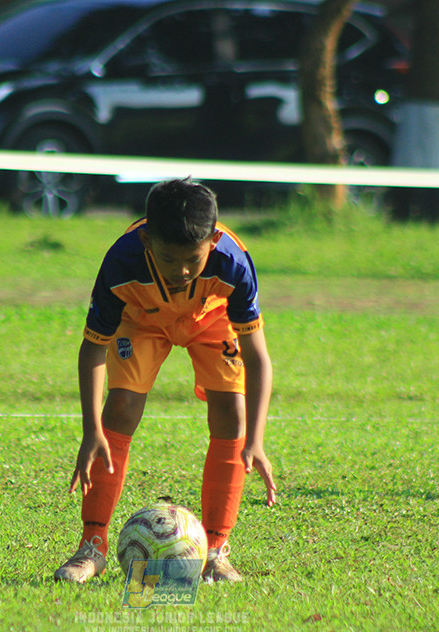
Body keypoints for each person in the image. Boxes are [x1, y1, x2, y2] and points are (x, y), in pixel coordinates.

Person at [54, 178, 277, 584]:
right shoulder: (121, 262)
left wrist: (256, 440)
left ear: (212, 240)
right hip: (142, 320)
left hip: (210, 319)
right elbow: (91, 349)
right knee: (120, 408)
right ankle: (93, 547)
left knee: (232, 412)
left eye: (193, 257)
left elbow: (258, 357)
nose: (183, 271)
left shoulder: (234, 263)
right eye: (168, 259)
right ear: (146, 241)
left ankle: (214, 551)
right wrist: (91, 431)